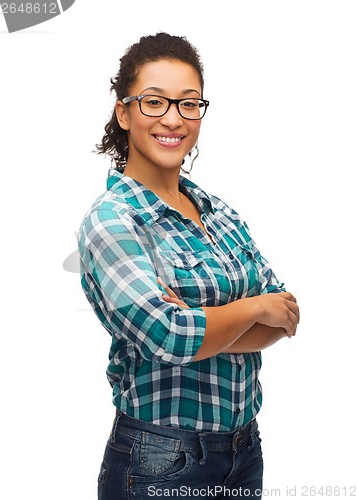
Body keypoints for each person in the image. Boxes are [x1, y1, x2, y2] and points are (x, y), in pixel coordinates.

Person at [78, 32, 300, 500]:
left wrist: (214, 321)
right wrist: (251, 307)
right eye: (154, 102)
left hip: (245, 450)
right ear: (124, 113)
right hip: (161, 462)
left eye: (189, 103)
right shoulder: (113, 221)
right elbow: (171, 336)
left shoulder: (217, 211)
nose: (173, 119)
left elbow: (285, 314)